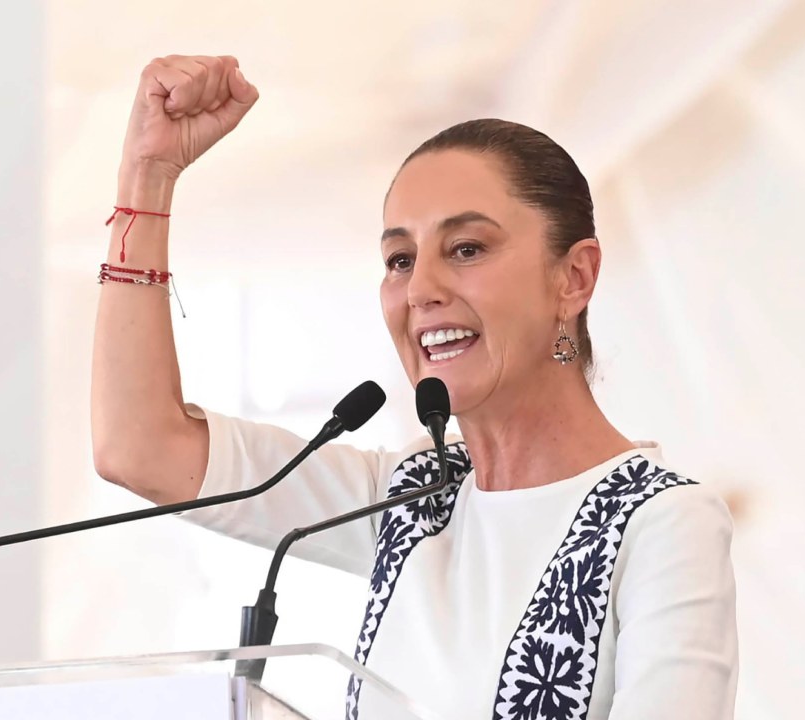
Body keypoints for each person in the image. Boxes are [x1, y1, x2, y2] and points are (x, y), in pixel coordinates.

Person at [91, 54, 737, 720]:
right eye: (400, 259)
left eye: (466, 248)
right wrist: (148, 177)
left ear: (573, 277)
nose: (421, 290)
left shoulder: (662, 526)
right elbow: (139, 449)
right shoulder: (409, 499)